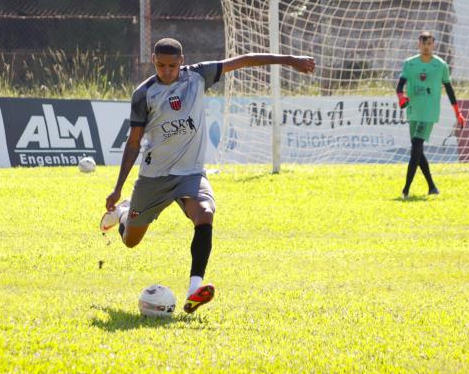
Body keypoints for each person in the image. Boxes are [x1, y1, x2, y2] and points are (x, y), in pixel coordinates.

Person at [101, 37, 315, 314]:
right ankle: (123, 213)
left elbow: (242, 60)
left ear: (182, 61)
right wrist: (118, 189)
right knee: (131, 241)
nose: (167, 71)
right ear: (153, 60)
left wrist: (290, 60)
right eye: (161, 65)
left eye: (172, 65)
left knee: (205, 212)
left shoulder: (197, 76)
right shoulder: (144, 94)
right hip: (155, 177)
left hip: (190, 173)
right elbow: (133, 143)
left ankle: (194, 289)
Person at [396, 31, 466, 199]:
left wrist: (458, 112)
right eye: (423, 43)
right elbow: (399, 87)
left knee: (416, 147)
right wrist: (401, 97)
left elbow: (449, 89)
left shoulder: (440, 66)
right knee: (417, 150)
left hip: (429, 112)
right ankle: (432, 187)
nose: (426, 47)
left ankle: (406, 190)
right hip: (414, 110)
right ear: (418, 44)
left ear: (433, 45)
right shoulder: (409, 64)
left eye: (429, 44)